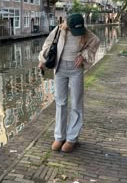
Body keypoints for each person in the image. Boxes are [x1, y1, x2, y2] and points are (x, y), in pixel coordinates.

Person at [38, 13, 100, 153]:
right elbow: (48, 44)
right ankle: (59, 137)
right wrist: (42, 60)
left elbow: (95, 42)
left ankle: (72, 138)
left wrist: (83, 56)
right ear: (69, 25)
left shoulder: (85, 32)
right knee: (60, 102)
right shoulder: (59, 30)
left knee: (76, 102)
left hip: (76, 70)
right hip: (59, 69)